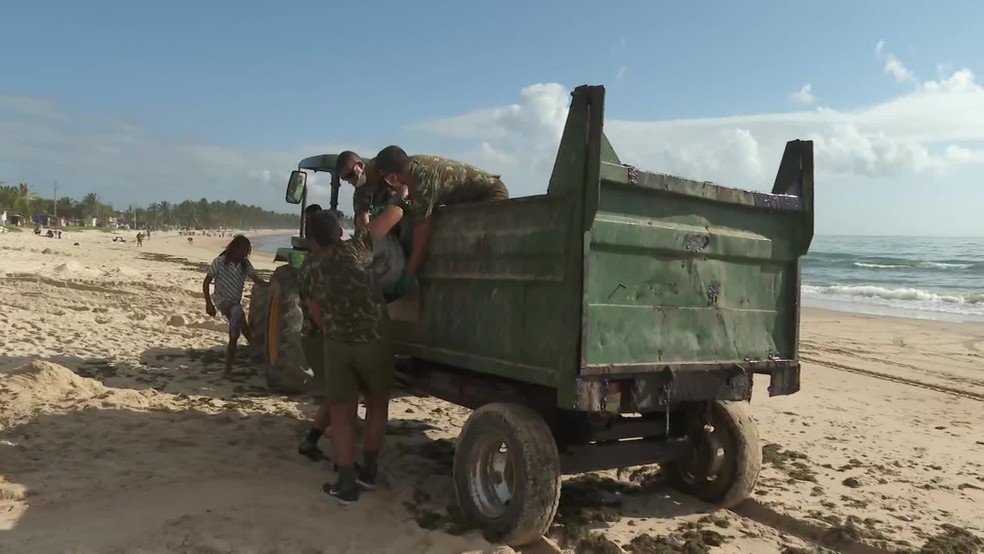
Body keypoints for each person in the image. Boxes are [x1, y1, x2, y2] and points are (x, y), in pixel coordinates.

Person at [299, 210, 393, 505]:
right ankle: (370, 471)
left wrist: (337, 328)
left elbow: (316, 316)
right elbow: (394, 214)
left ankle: (347, 482)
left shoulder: (308, 271)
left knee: (341, 415)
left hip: (338, 344)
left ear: (312, 240)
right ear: (340, 232)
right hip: (375, 341)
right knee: (377, 406)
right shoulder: (357, 248)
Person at [372, 145, 509, 276]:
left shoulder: (421, 181)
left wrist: (411, 270)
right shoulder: (413, 165)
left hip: (491, 194)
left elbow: (422, 229)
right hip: (475, 197)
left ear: (392, 177)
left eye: (385, 177)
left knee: (486, 250)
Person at [203, 235, 269, 373]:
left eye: (247, 251)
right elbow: (206, 282)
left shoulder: (245, 265)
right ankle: (238, 359)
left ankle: (242, 357)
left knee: (241, 328)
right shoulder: (219, 262)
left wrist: (271, 285)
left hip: (235, 301)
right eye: (242, 250)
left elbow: (256, 279)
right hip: (221, 299)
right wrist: (209, 303)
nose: (244, 254)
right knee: (236, 316)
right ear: (233, 248)